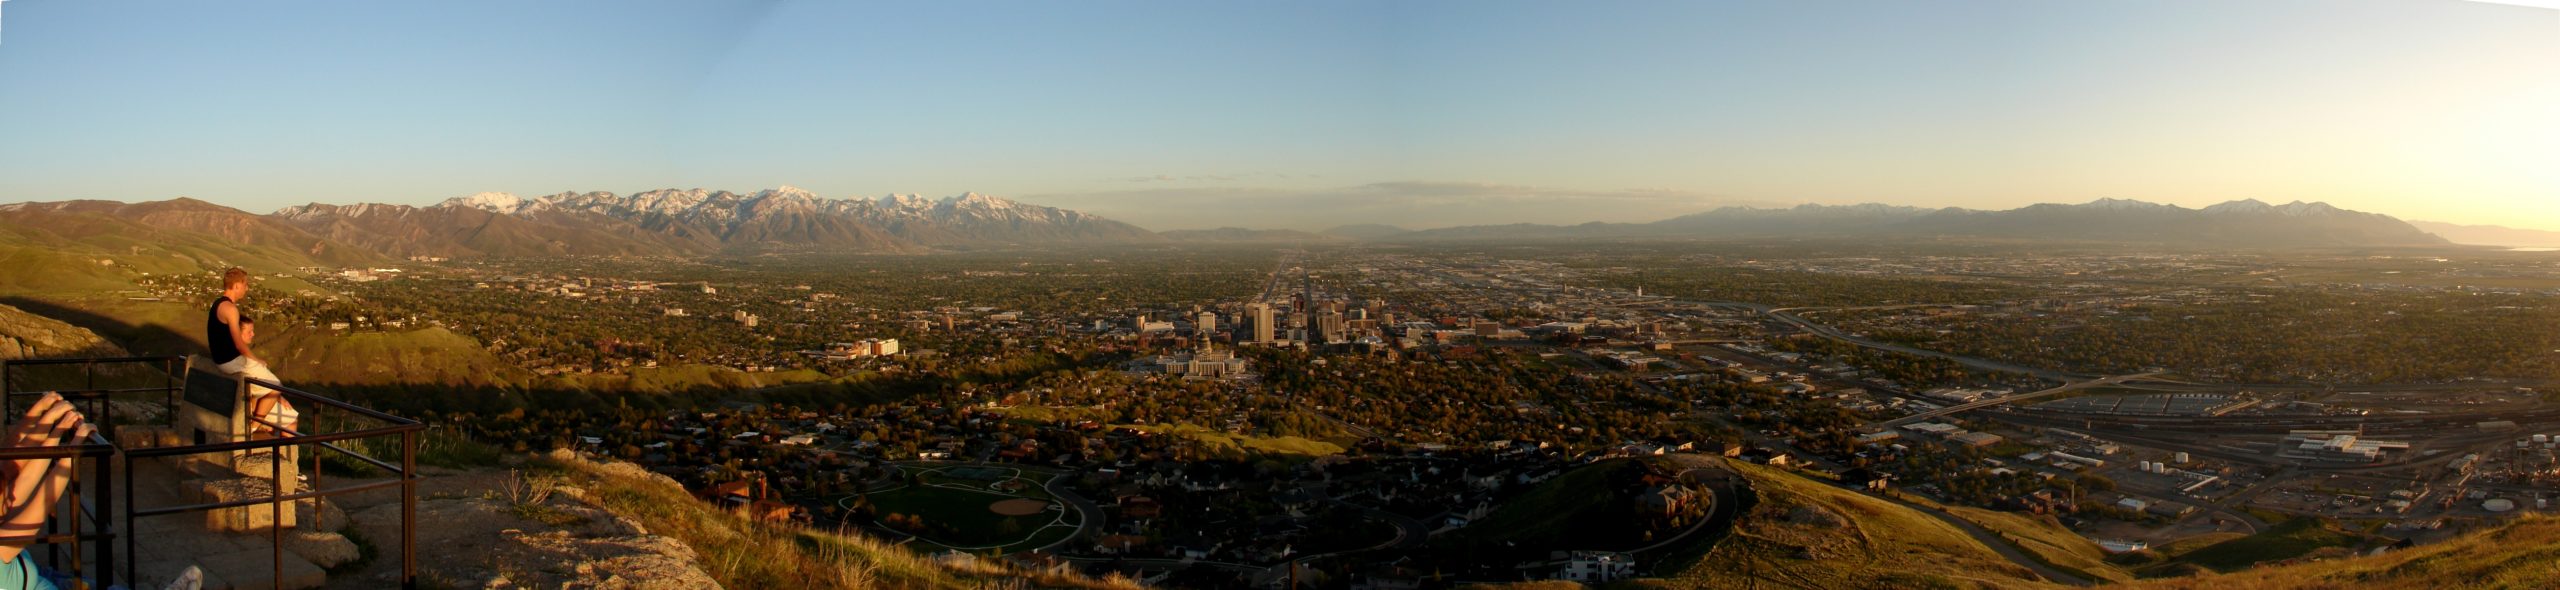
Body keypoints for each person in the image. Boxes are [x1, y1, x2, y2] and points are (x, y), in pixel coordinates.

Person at [0, 393, 95, 590]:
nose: (9, 493)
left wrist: (56, 428)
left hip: (42, 576)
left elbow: (24, 479)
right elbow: (41, 504)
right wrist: (73, 449)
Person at [208, 268, 295, 435]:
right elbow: (239, 342)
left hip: (220, 359)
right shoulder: (230, 309)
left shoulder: (217, 304)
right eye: (245, 285)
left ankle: (255, 419)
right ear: (237, 285)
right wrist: (255, 360)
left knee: (259, 386)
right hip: (230, 361)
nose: (246, 288)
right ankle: (254, 426)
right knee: (275, 386)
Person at [236, 316, 297, 438]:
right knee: (291, 418)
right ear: (237, 333)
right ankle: (283, 453)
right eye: (249, 331)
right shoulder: (246, 360)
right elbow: (269, 385)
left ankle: (271, 440)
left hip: (249, 397)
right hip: (251, 402)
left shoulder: (231, 355)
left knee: (276, 417)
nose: (253, 334)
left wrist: (277, 396)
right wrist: (277, 395)